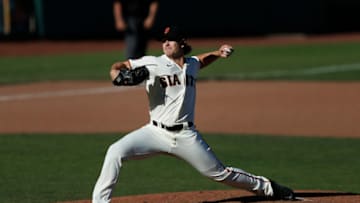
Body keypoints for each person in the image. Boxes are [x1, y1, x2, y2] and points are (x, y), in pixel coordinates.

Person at [92, 26, 296, 203]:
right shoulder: (152, 62)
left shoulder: (190, 64)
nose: (165, 43)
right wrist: (116, 75)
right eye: (163, 40)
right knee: (115, 151)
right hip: (154, 132)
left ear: (181, 42)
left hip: (186, 136)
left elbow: (200, 60)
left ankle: (269, 188)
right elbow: (118, 66)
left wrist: (217, 53)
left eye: (169, 39)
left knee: (221, 174)